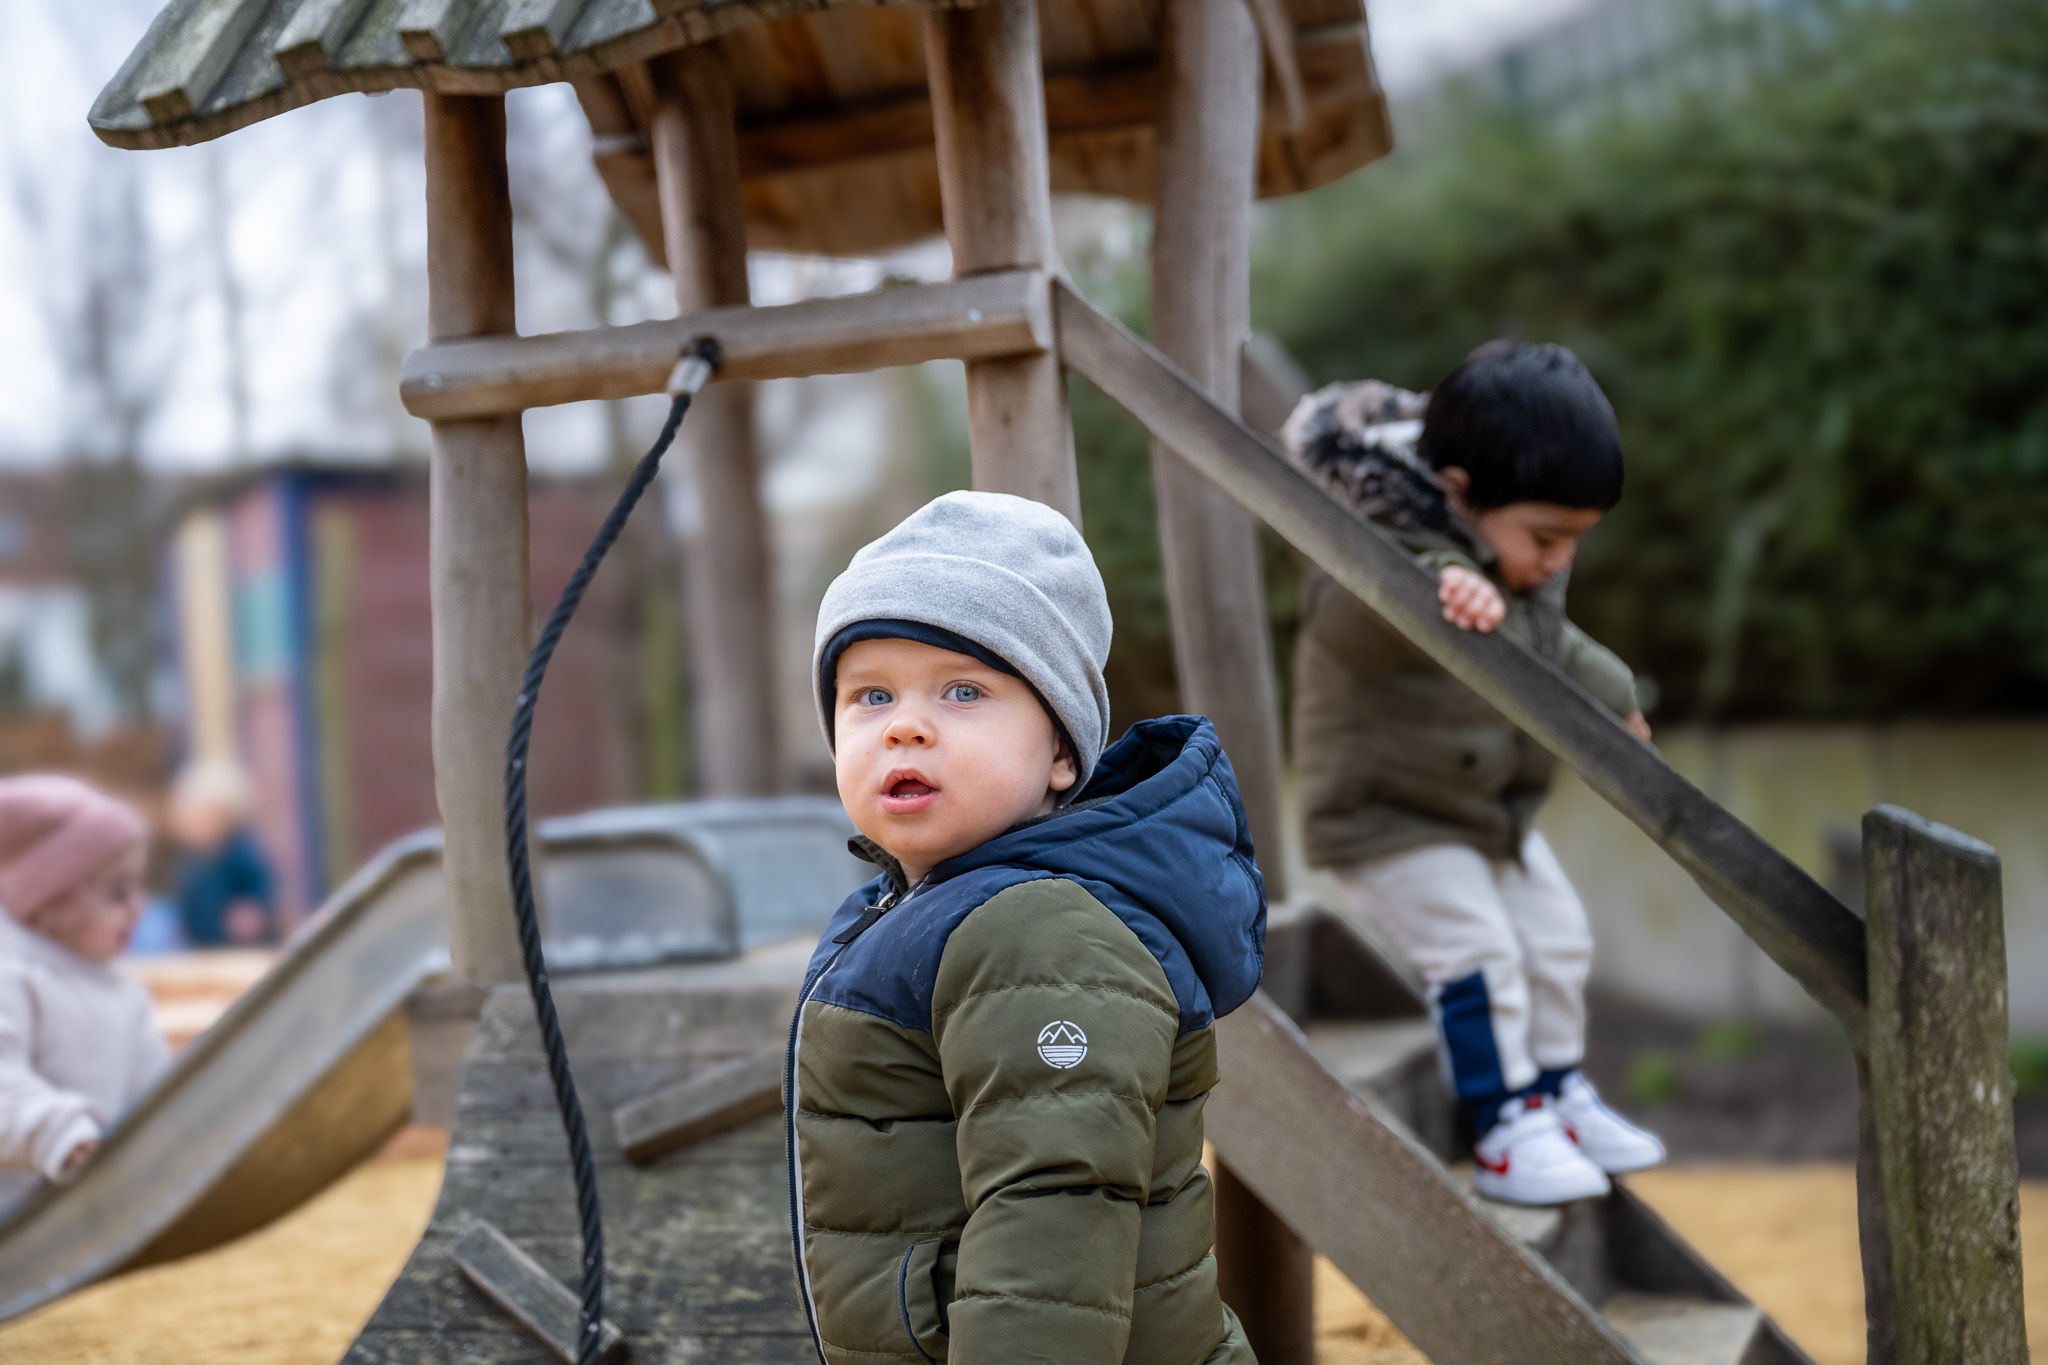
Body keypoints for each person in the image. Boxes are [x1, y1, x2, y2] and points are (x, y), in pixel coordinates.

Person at [787, 491, 1262, 1365]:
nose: (905, 724)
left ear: (1061, 755)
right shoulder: (921, 914)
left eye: (963, 690)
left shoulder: (1042, 933)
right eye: (869, 694)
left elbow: (1053, 1227)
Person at [1283, 340, 1665, 1207]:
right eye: (1546, 537)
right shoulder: (1367, 528)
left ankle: (1556, 1091)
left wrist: (1615, 697)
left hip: (1481, 811)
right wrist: (1437, 582)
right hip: (1385, 820)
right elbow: (1346, 615)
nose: (1560, 558)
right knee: (1478, 949)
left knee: (1559, 934)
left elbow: (1547, 641)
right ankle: (1501, 1124)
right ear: (1456, 489)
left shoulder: (1512, 555)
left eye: (1575, 540)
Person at [0, 775, 169, 1210]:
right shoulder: (13, 974)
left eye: (137, 886)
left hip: (81, 1214)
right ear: (53, 900)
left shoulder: (119, 989)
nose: (137, 907)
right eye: (116, 892)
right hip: (15, 1222)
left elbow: (156, 1093)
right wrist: (59, 1133)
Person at [167, 759, 275, 947]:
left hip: (237, 949)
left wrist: (252, 914)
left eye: (196, 815)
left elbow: (258, 897)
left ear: (223, 816)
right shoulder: (192, 861)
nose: (186, 822)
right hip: (202, 948)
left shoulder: (241, 856)